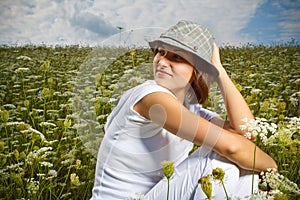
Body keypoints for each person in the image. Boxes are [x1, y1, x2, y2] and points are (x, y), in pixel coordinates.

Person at [91, 20, 277, 199]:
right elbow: (233, 148)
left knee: (246, 170)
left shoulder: (191, 109)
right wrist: (271, 167)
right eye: (160, 52)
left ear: (197, 71)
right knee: (220, 160)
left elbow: (247, 132)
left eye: (177, 57)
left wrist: (219, 71)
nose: (162, 62)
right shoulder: (151, 98)